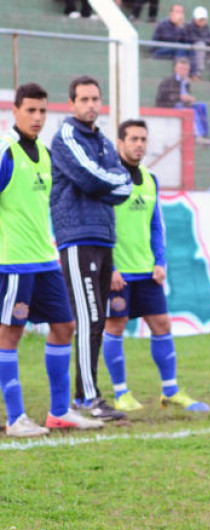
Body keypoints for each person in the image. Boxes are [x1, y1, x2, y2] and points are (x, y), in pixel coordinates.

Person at [0, 84, 105, 437]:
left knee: (64, 327)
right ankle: (16, 419)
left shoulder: (45, 155)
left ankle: (59, 412)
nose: (37, 117)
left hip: (45, 261)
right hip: (13, 262)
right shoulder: (5, 151)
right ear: (14, 111)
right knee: (9, 334)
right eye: (30, 110)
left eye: (43, 111)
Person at [102, 120, 210, 414]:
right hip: (119, 273)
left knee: (162, 325)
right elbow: (101, 225)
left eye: (143, 139)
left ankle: (171, 391)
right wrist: (109, 268)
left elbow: (156, 226)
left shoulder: (150, 179)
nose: (139, 144)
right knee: (116, 326)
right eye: (133, 139)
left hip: (147, 270)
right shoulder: (109, 179)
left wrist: (160, 262)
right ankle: (121, 393)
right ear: (120, 143)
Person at [50, 76, 132, 422]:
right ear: (71, 103)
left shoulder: (101, 140)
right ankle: (85, 397)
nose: (91, 105)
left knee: (99, 318)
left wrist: (109, 180)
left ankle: (90, 394)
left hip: (102, 236)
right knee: (88, 318)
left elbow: (124, 183)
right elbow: (91, 178)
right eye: (83, 99)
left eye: (95, 99)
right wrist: (110, 180)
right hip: (78, 237)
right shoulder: (65, 136)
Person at [155, 58, 210, 146]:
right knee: (192, 111)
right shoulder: (168, 80)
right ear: (176, 69)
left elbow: (185, 98)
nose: (184, 71)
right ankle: (197, 136)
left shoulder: (186, 82)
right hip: (169, 106)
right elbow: (166, 97)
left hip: (181, 105)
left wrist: (189, 100)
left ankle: (205, 134)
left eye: (186, 69)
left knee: (202, 106)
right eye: (181, 69)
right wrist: (181, 98)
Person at [184, 6, 210, 82]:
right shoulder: (189, 26)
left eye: (204, 19)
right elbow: (193, 39)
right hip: (192, 54)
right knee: (200, 45)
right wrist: (209, 41)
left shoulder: (206, 27)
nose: (203, 21)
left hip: (204, 53)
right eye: (200, 19)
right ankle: (197, 73)